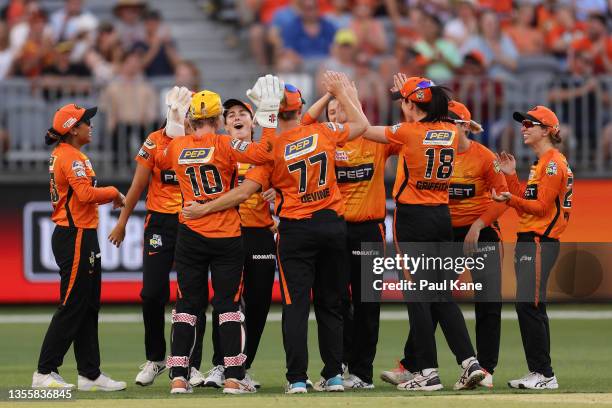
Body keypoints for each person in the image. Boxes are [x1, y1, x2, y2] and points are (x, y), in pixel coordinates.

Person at [181, 73, 368, 393]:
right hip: (332, 225)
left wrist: (203, 209)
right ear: (299, 109)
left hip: (295, 229)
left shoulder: (271, 150)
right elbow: (361, 126)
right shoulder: (322, 131)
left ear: (270, 112)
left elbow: (243, 193)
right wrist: (341, 93)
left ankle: (297, 379)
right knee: (331, 303)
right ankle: (334, 375)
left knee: (295, 306)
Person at [357, 75, 485, 391]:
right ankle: (470, 363)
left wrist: (346, 94)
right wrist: (411, 95)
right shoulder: (449, 132)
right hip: (442, 216)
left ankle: (427, 372)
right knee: (441, 295)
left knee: (418, 297)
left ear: (412, 105)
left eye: (404, 102)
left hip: (413, 219)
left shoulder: (408, 132)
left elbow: (363, 128)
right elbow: (433, 128)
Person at [156, 89, 270, 395]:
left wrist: (173, 122)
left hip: (190, 234)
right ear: (219, 119)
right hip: (227, 235)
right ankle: (233, 377)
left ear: (193, 119)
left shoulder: (178, 146)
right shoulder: (225, 143)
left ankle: (179, 376)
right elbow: (263, 154)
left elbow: (160, 158)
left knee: (186, 306)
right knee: (228, 307)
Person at [107, 87, 208, 388]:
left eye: (192, 113)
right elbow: (137, 187)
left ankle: (192, 364)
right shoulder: (153, 141)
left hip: (193, 222)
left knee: (193, 296)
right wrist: (122, 223)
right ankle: (156, 358)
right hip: (160, 225)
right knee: (152, 293)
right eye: (183, 112)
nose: (188, 119)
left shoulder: (200, 142)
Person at [300, 90, 400, 389]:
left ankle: (362, 373)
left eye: (340, 108)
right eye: (330, 110)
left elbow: (406, 136)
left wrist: (350, 97)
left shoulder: (374, 140)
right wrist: (331, 95)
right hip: (334, 232)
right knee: (335, 300)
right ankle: (338, 364)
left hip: (369, 231)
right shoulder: (322, 143)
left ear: (354, 110)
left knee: (367, 303)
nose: (334, 113)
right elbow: (302, 126)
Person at [32, 103, 126, 391]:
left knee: (88, 305)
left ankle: (90, 374)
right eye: (86, 121)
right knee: (73, 304)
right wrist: (113, 193)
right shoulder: (71, 158)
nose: (91, 125)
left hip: (83, 235)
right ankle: (44, 372)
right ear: (73, 129)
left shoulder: (71, 154)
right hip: (74, 236)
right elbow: (85, 195)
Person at [492, 105, 573, 390]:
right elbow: (526, 208)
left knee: (530, 305)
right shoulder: (542, 163)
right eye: (523, 123)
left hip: (539, 242)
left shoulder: (552, 164)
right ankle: (539, 371)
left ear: (547, 130)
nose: (524, 127)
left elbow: (537, 209)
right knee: (529, 305)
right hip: (531, 240)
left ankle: (544, 373)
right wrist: (512, 177)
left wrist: (507, 198)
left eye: (530, 123)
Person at [201, 99, 277, 389]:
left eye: (242, 113)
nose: (236, 117)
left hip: (259, 234)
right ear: (223, 124)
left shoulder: (266, 154)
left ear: (253, 121)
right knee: (226, 302)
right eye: (230, 114)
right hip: (227, 233)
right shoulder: (218, 151)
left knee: (258, 304)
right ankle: (221, 365)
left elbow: (291, 186)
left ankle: (243, 368)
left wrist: (278, 195)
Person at [446, 100, 508, 387]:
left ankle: (486, 370)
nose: (441, 127)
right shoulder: (436, 155)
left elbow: (503, 198)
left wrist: (478, 224)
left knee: (488, 302)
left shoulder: (484, 157)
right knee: (434, 299)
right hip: (447, 235)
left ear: (461, 126)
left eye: (446, 122)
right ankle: (414, 364)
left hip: (482, 233)